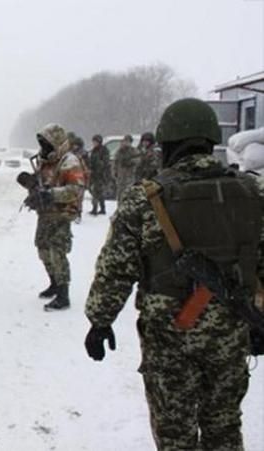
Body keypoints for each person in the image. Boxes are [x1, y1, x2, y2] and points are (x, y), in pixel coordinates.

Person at [84, 98, 261, 450]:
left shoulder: (144, 199)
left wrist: (100, 321)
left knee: (175, 436)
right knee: (224, 427)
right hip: (231, 333)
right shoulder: (253, 192)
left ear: (168, 145)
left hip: (170, 338)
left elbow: (116, 268)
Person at [30, 124, 86, 311]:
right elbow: (41, 183)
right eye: (42, 143)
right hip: (45, 213)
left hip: (61, 214)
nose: (44, 147)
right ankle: (54, 282)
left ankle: (63, 294)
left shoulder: (69, 162)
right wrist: (34, 193)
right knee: (43, 249)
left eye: (47, 143)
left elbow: (75, 189)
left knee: (57, 252)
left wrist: (51, 194)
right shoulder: (44, 160)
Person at [112, 134, 140, 202]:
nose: (126, 143)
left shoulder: (134, 151)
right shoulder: (119, 151)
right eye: (125, 141)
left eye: (128, 141)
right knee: (119, 194)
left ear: (131, 142)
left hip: (129, 176)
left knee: (128, 193)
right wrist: (114, 172)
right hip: (120, 176)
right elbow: (115, 162)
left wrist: (130, 161)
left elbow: (138, 160)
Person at [88, 135, 111, 215]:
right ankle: (102, 208)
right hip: (94, 174)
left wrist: (98, 164)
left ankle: (95, 209)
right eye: (93, 142)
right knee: (98, 192)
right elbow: (91, 161)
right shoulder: (94, 150)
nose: (94, 143)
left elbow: (105, 162)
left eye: (95, 142)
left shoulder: (104, 150)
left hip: (101, 174)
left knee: (96, 191)